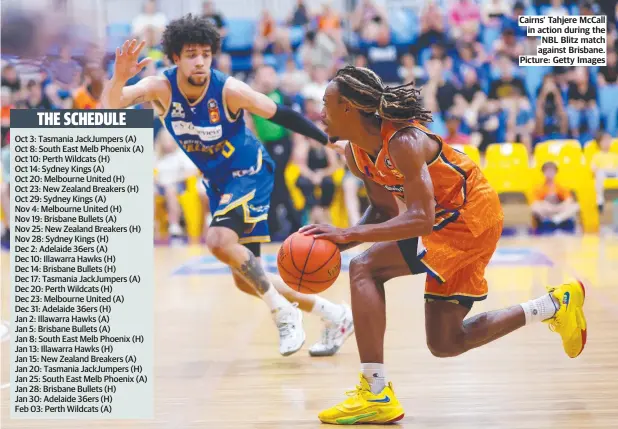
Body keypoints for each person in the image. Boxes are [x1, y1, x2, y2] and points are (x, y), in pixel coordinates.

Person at [301, 66, 588, 425]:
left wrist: (348, 236)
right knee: (446, 342)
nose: (320, 114)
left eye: (326, 105)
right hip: (443, 220)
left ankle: (375, 392)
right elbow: (383, 210)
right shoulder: (355, 154)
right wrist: (336, 243)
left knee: (365, 268)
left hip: (472, 216)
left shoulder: (403, 141)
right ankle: (552, 305)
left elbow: (420, 219)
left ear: (349, 107)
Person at [101, 14, 353, 358]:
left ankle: (283, 312)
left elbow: (279, 113)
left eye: (206, 53)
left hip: (251, 171)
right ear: (175, 57)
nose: (200, 61)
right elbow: (112, 104)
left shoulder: (229, 89)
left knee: (218, 240)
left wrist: (329, 141)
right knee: (243, 277)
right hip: (220, 182)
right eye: (191, 54)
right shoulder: (161, 87)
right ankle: (334, 315)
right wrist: (118, 77)